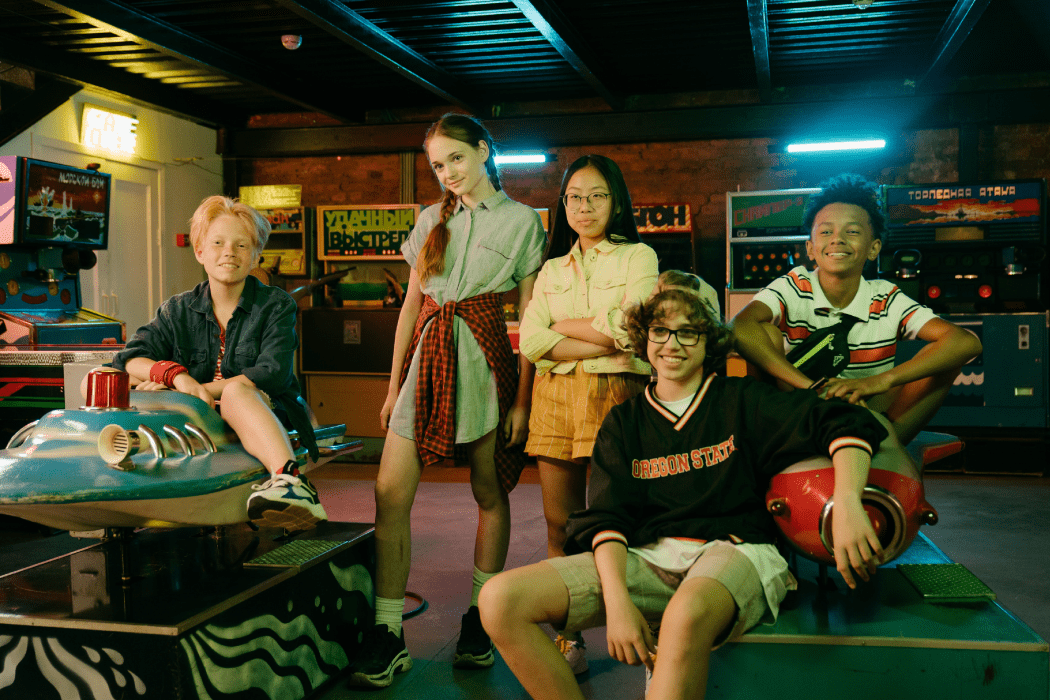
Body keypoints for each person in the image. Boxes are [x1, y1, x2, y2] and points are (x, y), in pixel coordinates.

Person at [479, 278, 888, 700]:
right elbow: (606, 519)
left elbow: (843, 419)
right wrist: (618, 605)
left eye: (688, 331)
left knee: (683, 614)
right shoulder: (624, 422)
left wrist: (851, 504)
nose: (672, 343)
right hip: (648, 558)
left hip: (734, 550)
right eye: (660, 329)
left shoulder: (743, 399)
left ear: (708, 339)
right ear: (644, 336)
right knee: (499, 600)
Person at [348, 113, 546, 688]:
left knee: (489, 490)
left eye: (456, 158)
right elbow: (410, 308)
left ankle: (481, 619)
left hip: (485, 361)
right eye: (438, 165)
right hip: (426, 361)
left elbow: (530, 318)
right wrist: (392, 389)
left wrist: (522, 402)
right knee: (389, 491)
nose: (449, 172)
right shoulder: (430, 219)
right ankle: (389, 633)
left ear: (484, 150)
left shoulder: (521, 222)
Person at [518, 155, 658, 674]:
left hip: (617, 394)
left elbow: (631, 327)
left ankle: (646, 625)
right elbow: (531, 341)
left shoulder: (639, 256)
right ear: (563, 205)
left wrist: (566, 331)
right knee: (560, 526)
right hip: (553, 401)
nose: (585, 206)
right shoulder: (551, 268)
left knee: (627, 519)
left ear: (616, 201)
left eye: (597, 195)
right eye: (575, 196)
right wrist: (597, 336)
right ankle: (569, 638)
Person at [111, 195, 324, 531]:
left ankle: (291, 484)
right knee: (120, 386)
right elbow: (126, 360)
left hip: (268, 409)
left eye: (242, 245)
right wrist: (174, 378)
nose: (229, 252)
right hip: (197, 417)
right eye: (218, 243)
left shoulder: (275, 305)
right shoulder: (176, 309)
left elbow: (271, 373)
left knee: (238, 392)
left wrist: (194, 390)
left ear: (256, 256)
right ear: (199, 251)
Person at [732, 174, 982, 445]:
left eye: (852, 232)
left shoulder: (885, 296)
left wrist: (880, 382)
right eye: (826, 232)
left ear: (873, 248)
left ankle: (886, 446)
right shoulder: (794, 285)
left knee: (946, 358)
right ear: (811, 249)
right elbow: (738, 327)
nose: (837, 240)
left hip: (868, 413)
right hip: (799, 415)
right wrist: (810, 387)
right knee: (764, 332)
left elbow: (966, 342)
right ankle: (772, 446)